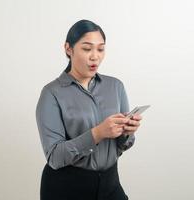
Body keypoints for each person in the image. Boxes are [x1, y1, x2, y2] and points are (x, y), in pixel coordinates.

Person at [36, 19, 142, 200]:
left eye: (101, 49)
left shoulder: (115, 86)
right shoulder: (51, 93)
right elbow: (54, 157)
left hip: (110, 183)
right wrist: (98, 133)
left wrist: (127, 132)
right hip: (66, 188)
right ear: (68, 49)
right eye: (87, 49)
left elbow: (122, 145)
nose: (95, 56)